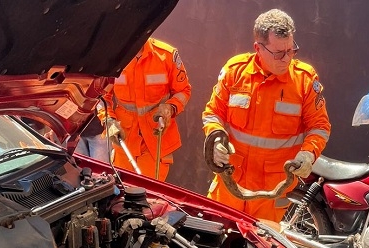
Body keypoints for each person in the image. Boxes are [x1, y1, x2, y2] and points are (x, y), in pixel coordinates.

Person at [202, 8, 331, 222]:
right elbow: (213, 113)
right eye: (279, 53)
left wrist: (308, 154)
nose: (287, 58)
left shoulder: (304, 80)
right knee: (213, 242)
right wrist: (216, 140)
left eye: (291, 50)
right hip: (229, 183)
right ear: (258, 48)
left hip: (273, 193)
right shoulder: (235, 72)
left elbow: (320, 126)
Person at [100, 37, 191, 181]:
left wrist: (170, 107)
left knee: (148, 195)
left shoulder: (167, 55)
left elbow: (183, 91)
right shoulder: (112, 57)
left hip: (156, 138)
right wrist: (108, 120)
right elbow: (100, 96)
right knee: (122, 194)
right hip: (124, 139)